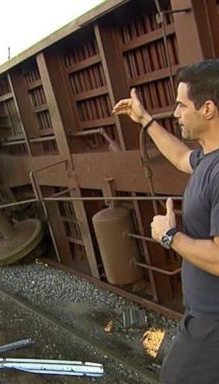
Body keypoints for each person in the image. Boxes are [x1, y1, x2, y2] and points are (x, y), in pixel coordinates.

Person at [112, 59, 219, 384]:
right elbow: (178, 156)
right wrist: (144, 120)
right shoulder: (207, 157)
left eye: (181, 105)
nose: (175, 113)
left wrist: (170, 235)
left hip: (213, 323)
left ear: (208, 109)